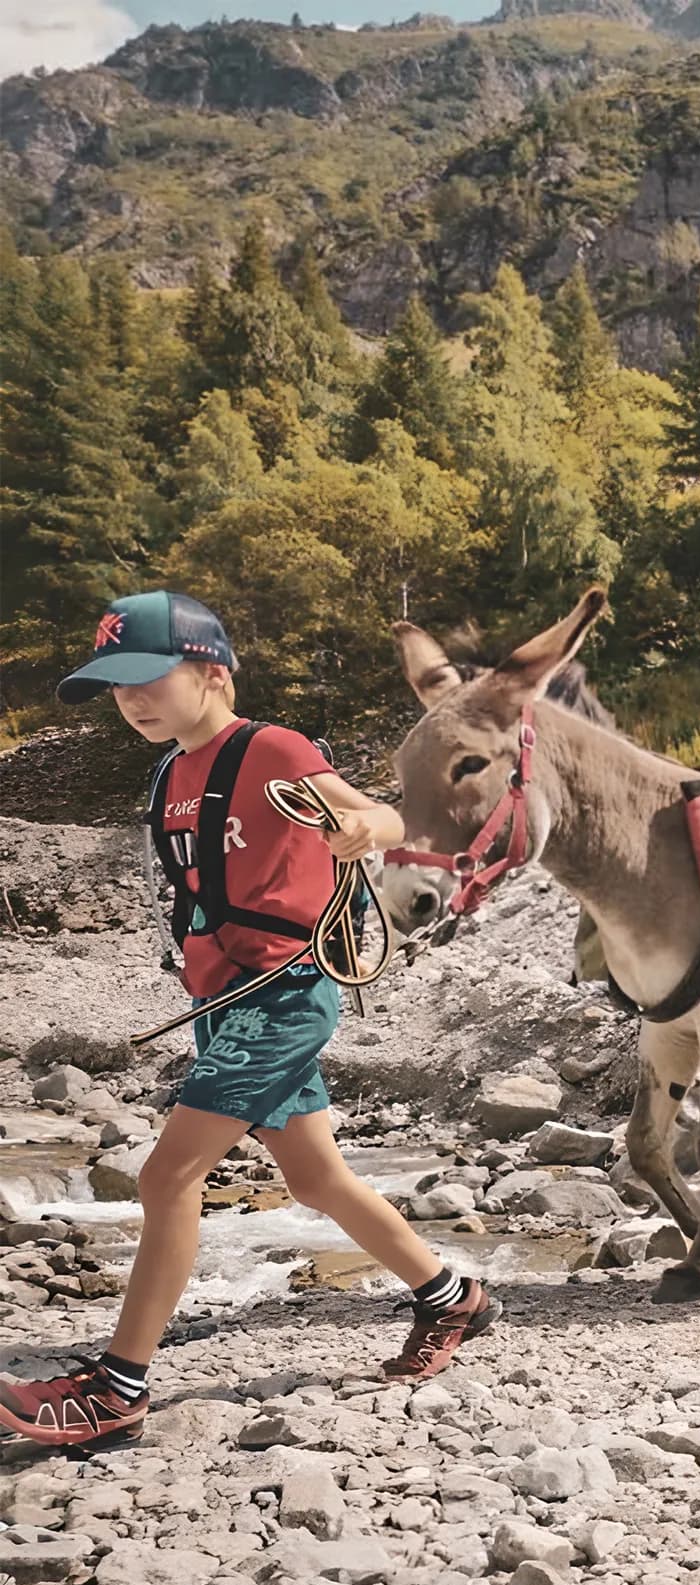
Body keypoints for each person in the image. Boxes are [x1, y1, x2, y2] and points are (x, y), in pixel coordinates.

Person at [0, 593, 499, 1452]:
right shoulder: (168, 775)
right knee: (316, 1181)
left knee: (164, 1180)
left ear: (212, 672)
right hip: (222, 1006)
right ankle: (453, 1297)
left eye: (145, 679)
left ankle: (116, 1390)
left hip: (282, 998)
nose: (131, 700)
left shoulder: (271, 748)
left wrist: (359, 828)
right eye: (114, 688)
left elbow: (388, 815)